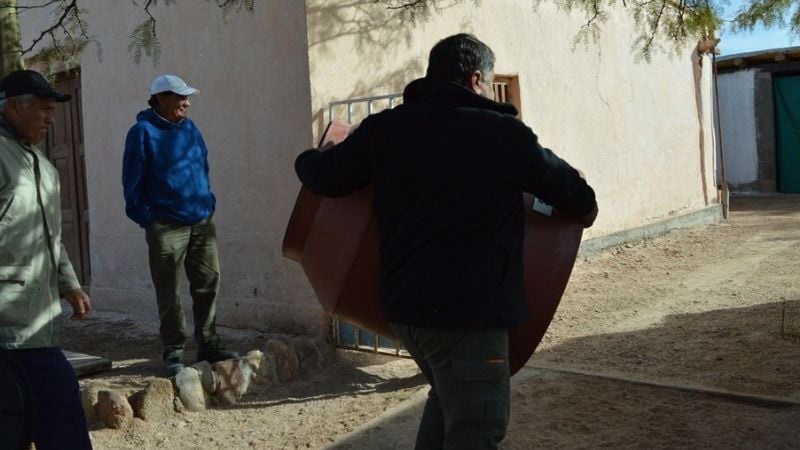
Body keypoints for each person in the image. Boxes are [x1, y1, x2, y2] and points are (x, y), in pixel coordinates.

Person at [295, 34, 598, 449]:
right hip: (469, 315)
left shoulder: (387, 129)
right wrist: (583, 205)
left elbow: (323, 176)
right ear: (476, 79)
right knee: (477, 426)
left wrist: (306, 158)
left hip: (406, 314)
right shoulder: (503, 134)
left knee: (447, 399)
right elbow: (577, 198)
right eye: (491, 82)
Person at [0, 69, 93, 449]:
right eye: (43, 109)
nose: (51, 118)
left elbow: (50, 235)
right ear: (11, 108)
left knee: (22, 419)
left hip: (37, 316)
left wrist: (69, 282)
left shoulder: (42, 164)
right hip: (8, 320)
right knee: (56, 408)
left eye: (53, 110)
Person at [123, 74, 236, 376]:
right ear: (161, 99)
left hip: (201, 220)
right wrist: (150, 220)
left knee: (208, 284)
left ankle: (209, 345)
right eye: (179, 97)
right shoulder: (142, 133)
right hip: (166, 227)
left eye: (187, 97)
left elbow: (203, 166)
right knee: (169, 292)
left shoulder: (191, 129)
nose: (186, 102)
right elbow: (131, 186)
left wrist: (208, 202)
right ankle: (174, 352)